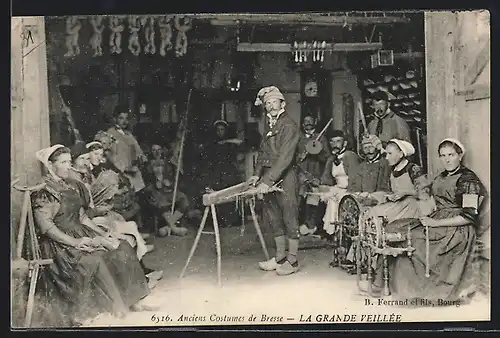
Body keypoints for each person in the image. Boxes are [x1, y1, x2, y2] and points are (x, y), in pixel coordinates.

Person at [31, 145, 155, 326]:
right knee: (96, 259)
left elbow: (81, 217)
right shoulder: (44, 192)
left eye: (68, 161)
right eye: (63, 162)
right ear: (50, 165)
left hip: (80, 231)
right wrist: (76, 242)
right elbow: (47, 228)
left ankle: (135, 300)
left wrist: (103, 234)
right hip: (61, 244)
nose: (68, 166)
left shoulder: (71, 185)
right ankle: (117, 308)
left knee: (121, 246)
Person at [362, 138, 487, 303]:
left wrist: (435, 223)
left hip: (458, 230)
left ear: (460, 155)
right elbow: (431, 199)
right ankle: (385, 283)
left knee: (413, 239)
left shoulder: (468, 179)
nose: (447, 159)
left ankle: (416, 288)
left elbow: (468, 217)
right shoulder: (441, 176)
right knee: (398, 229)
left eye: (451, 155)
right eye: (443, 156)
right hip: (440, 218)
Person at [248, 86, 301, 276]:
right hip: (269, 177)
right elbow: (263, 152)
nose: (270, 106)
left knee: (289, 215)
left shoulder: (289, 125)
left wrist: (267, 180)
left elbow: (286, 157)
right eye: (267, 103)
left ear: (283, 104)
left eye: (274, 102)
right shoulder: (269, 125)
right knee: (273, 215)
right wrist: (256, 174)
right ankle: (279, 257)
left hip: (286, 176)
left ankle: (293, 261)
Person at [203, 120, 243, 227]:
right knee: (218, 193)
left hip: (229, 171)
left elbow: (240, 142)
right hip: (217, 171)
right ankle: (220, 221)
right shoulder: (212, 143)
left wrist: (225, 142)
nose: (220, 132)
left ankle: (232, 220)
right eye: (218, 130)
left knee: (229, 192)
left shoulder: (229, 143)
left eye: (222, 130)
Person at [319, 130, 360, 235]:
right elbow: (326, 178)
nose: (334, 145)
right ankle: (332, 232)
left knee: (335, 199)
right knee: (322, 196)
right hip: (338, 188)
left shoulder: (350, 156)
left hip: (350, 189)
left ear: (345, 143)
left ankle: (338, 232)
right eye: (332, 142)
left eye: (338, 141)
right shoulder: (332, 158)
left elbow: (355, 178)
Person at [296, 114, 330, 236]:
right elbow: (293, 156)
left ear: (315, 121)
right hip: (301, 174)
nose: (308, 123)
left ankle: (311, 226)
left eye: (310, 121)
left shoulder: (321, 138)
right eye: (305, 121)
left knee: (313, 200)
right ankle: (298, 226)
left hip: (316, 174)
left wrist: (316, 152)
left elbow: (327, 157)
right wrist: (300, 157)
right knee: (299, 200)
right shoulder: (298, 138)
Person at [107, 104, 148, 193]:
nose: (124, 121)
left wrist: (141, 160)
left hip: (134, 172)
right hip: (120, 173)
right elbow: (110, 156)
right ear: (115, 119)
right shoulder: (110, 134)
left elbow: (138, 151)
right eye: (121, 118)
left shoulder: (128, 134)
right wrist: (124, 168)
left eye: (126, 118)